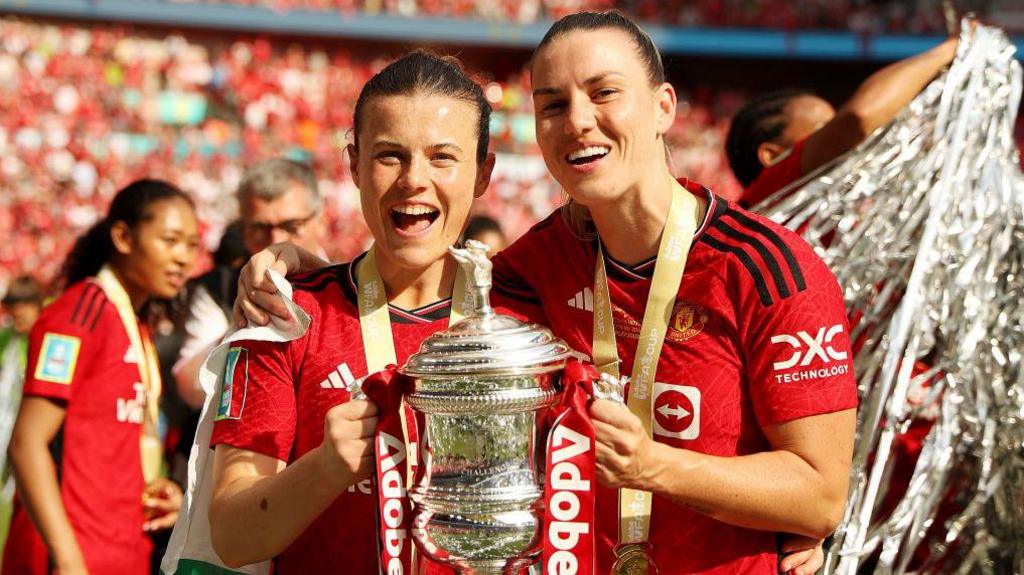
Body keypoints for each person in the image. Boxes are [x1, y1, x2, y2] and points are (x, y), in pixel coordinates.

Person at [237, 12, 856, 574]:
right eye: (552, 104)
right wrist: (300, 269)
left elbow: (821, 496)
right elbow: (411, 285)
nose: (579, 120)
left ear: (665, 106)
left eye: (604, 92)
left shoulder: (769, 270)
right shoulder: (531, 268)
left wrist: (655, 468)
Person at [205, 51, 498, 573]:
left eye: (442, 157)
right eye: (389, 155)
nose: (413, 179)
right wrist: (324, 468)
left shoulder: (527, 314)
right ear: (353, 166)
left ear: (483, 172)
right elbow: (231, 535)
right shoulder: (284, 316)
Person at [4, 180, 200, 575]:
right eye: (170, 240)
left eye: (192, 245)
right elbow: (27, 444)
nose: (183, 258)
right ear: (123, 237)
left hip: (123, 551)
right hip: (70, 558)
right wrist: (68, 557)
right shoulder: (79, 315)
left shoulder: (134, 324)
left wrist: (157, 487)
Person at [726, 33, 961, 208]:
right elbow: (858, 119)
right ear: (773, 156)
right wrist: (950, 48)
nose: (835, 134)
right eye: (824, 128)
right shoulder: (770, 190)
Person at [173, 159, 326, 411]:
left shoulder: (351, 280)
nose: (276, 239)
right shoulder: (218, 288)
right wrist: (241, 326)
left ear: (320, 221)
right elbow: (190, 386)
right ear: (243, 230)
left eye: (291, 226)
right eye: (259, 228)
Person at [0, 276, 44, 553]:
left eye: (22, 307)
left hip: (29, 421)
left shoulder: (45, 336)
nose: (17, 314)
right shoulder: (8, 338)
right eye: (12, 307)